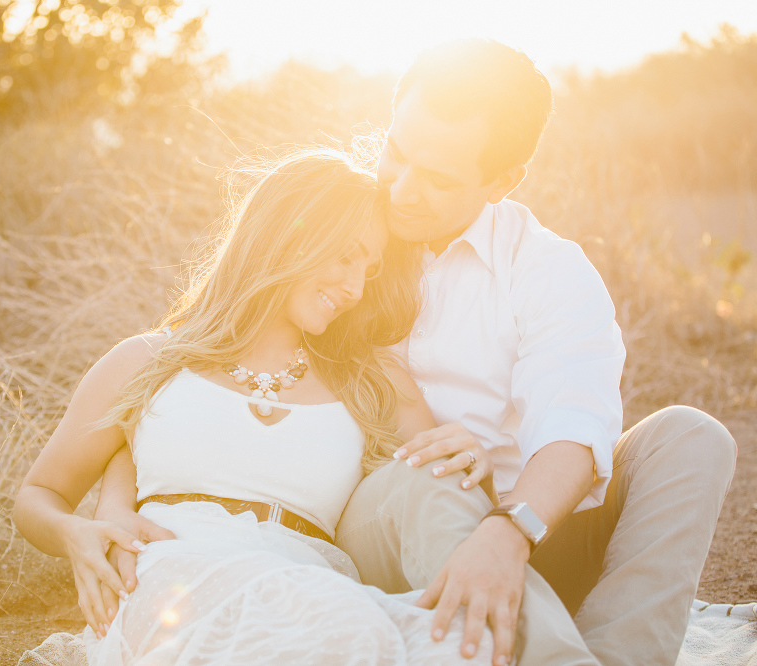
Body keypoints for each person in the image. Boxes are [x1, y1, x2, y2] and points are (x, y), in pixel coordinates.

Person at [95, 40, 738, 666]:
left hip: (528, 533)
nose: (401, 189)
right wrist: (115, 500)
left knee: (692, 436)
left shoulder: (548, 269)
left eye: (435, 178)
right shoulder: (347, 239)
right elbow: (195, 369)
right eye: (395, 153)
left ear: (503, 181)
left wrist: (509, 531)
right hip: (386, 525)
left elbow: (573, 429)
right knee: (428, 480)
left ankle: (614, 654)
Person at [15, 149, 510, 664]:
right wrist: (76, 532)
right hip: (175, 579)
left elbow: (439, 493)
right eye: (346, 255)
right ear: (287, 233)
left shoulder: (373, 380)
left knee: (446, 647)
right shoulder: (147, 359)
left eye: (370, 268)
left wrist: (473, 461)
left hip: (314, 591)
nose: (355, 287)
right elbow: (39, 494)